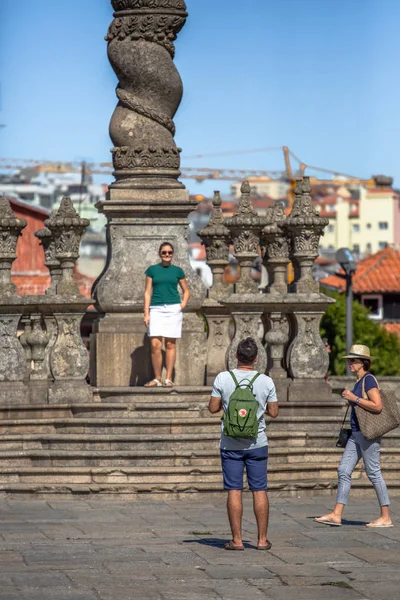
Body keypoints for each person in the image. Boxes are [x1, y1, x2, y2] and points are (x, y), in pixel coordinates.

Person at [208, 337, 279, 550]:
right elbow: (274, 413)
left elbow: (212, 408)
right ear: (256, 358)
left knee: (234, 490)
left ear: (236, 356)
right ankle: (262, 540)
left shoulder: (223, 378)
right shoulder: (266, 381)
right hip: (257, 443)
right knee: (259, 490)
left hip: (230, 444)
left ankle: (237, 540)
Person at [315, 344, 392, 528]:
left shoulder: (369, 380)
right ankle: (336, 514)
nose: (350, 363)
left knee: (373, 473)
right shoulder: (359, 381)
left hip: (367, 434)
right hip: (356, 433)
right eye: (349, 360)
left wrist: (354, 398)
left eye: (353, 360)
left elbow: (378, 405)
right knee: (343, 470)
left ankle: (386, 517)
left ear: (363, 362)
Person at [143, 242, 190, 387]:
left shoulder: (178, 271)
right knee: (155, 345)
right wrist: (146, 312)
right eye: (164, 252)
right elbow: (147, 292)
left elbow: (186, 291)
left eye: (170, 252)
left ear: (173, 254)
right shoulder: (152, 270)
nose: (167, 255)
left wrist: (182, 305)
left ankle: (168, 378)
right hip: (156, 309)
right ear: (160, 254)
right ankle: (157, 378)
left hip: (173, 309)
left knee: (170, 344)